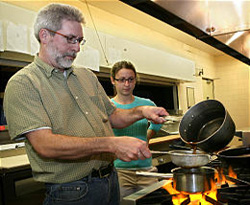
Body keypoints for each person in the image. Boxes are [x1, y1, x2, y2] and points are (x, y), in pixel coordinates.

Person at [3, 3, 168, 205]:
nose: (77, 48)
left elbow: (114, 116)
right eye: (70, 39)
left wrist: (142, 110)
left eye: (80, 40)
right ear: (45, 36)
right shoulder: (24, 83)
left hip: (110, 179)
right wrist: (111, 143)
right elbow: (45, 145)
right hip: (71, 191)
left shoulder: (85, 76)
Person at [110, 61, 162, 198]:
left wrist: (147, 137)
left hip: (145, 168)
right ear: (113, 81)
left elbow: (157, 123)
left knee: (153, 200)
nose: (126, 84)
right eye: (121, 80)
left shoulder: (147, 104)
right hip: (119, 170)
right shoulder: (108, 106)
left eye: (130, 79)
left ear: (135, 80)